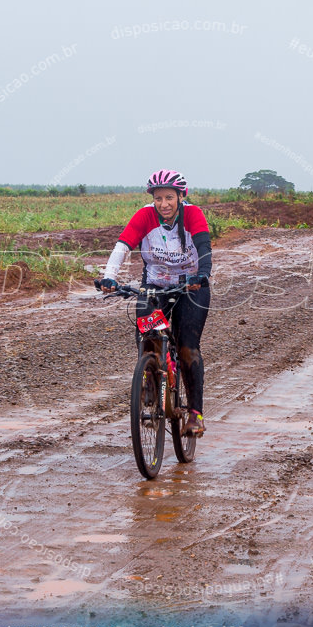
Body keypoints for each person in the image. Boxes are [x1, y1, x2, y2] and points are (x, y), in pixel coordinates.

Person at [100, 170, 212, 436]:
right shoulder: (144, 215)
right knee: (147, 335)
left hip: (190, 286)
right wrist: (109, 277)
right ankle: (150, 380)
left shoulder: (193, 214)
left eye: (170, 198)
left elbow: (204, 247)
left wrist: (203, 274)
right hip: (155, 285)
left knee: (187, 348)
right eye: (158, 198)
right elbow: (123, 245)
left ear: (181, 197)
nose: (164, 204)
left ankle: (195, 413)